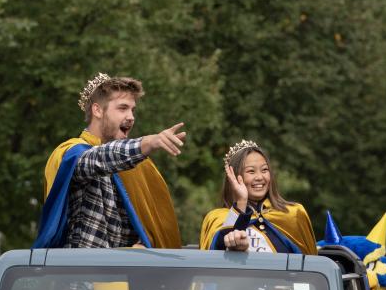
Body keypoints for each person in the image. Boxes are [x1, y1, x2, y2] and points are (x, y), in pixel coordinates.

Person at [36, 73, 186, 250]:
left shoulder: (137, 166)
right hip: (81, 274)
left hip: (124, 274)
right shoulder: (73, 153)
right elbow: (99, 159)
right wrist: (147, 143)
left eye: (132, 110)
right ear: (97, 110)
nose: (131, 117)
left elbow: (149, 229)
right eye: (122, 108)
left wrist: (142, 244)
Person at [200, 140, 317, 254]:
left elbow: (311, 266)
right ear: (234, 177)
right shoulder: (215, 218)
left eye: (265, 170)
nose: (260, 177)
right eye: (251, 171)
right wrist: (241, 202)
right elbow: (215, 257)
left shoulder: (294, 213)